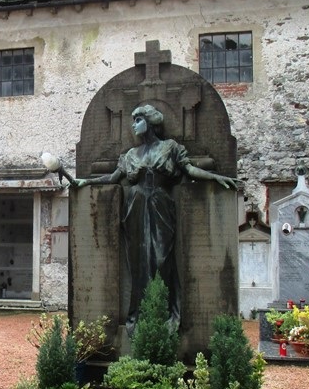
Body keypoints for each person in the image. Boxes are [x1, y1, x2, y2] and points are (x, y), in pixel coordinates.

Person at [75, 104, 238, 332]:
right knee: (138, 263)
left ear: (150, 122)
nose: (133, 125)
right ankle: (140, 316)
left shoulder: (170, 147)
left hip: (161, 205)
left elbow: (189, 170)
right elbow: (113, 178)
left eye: (138, 120)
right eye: (133, 121)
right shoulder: (131, 155)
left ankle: (164, 314)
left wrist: (215, 177)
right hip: (135, 206)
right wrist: (86, 181)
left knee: (162, 259)